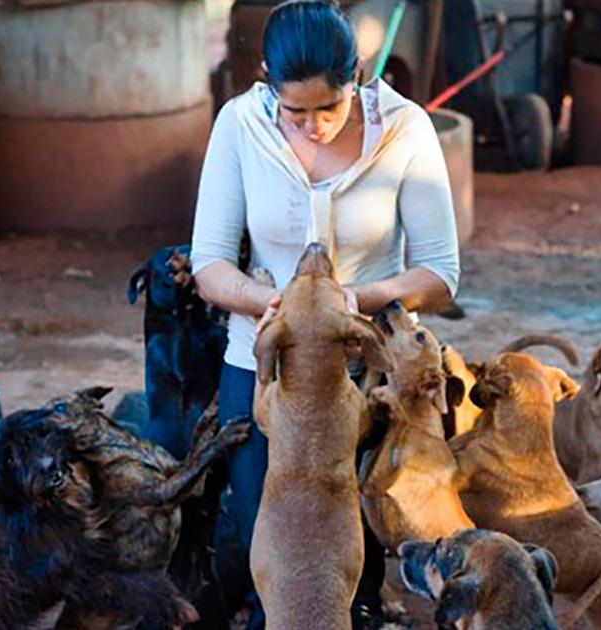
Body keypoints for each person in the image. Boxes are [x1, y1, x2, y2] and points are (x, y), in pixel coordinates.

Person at [189, 1, 460, 626]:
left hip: (368, 380)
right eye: (296, 112)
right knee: (279, 579)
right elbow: (210, 265)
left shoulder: (405, 128)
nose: (312, 126)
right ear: (265, 80)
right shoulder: (238, 125)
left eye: (329, 109)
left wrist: (344, 307)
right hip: (261, 375)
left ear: (357, 76)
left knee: (356, 579)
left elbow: (440, 274)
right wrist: (275, 305)